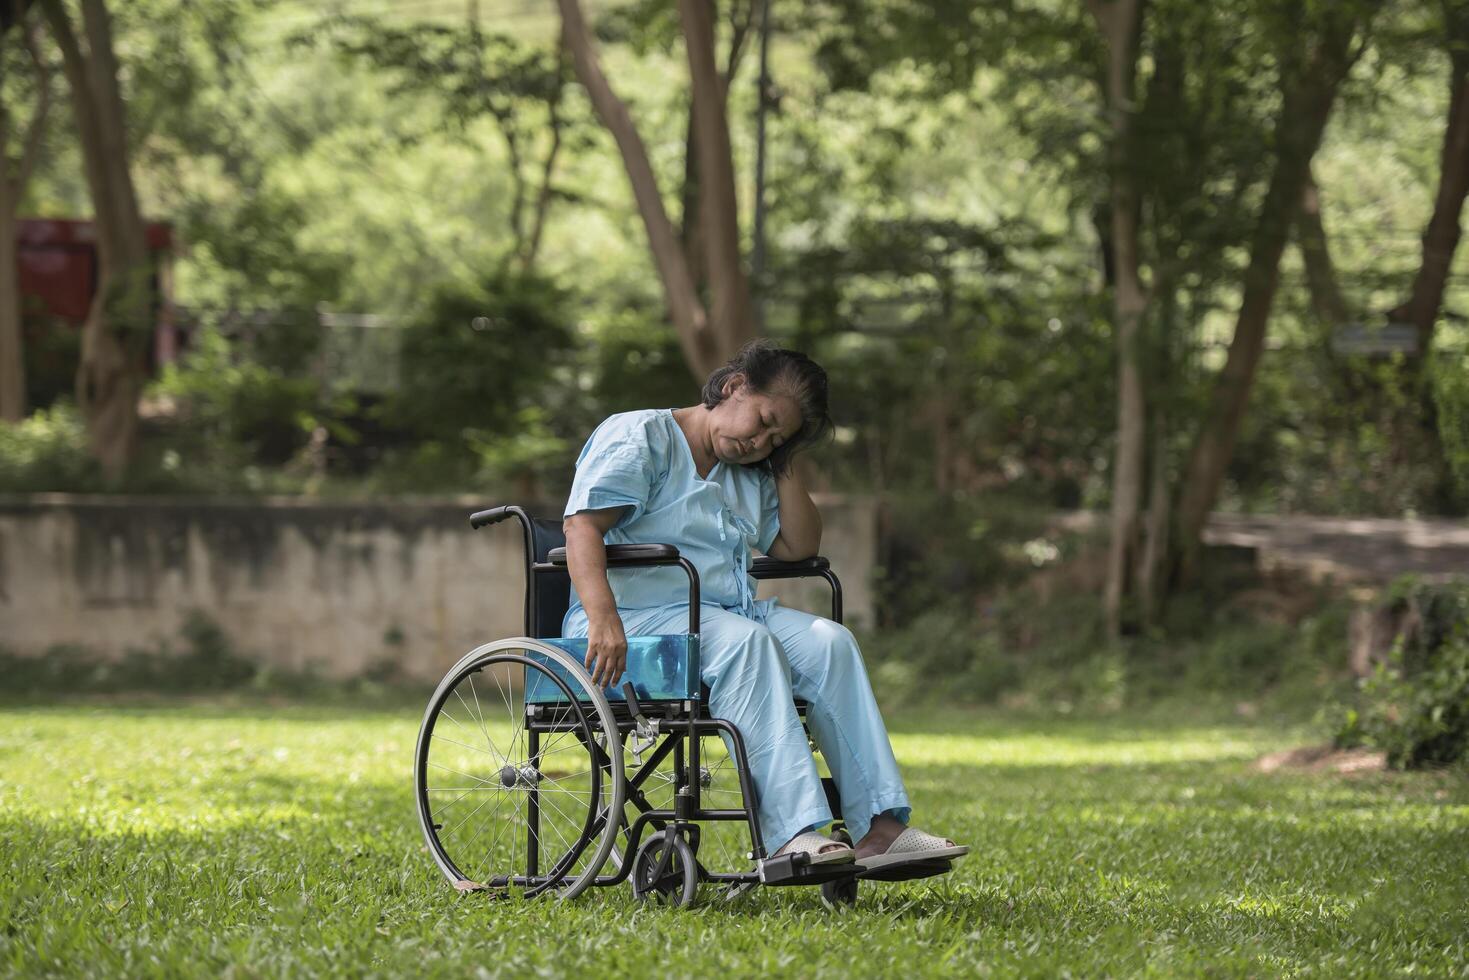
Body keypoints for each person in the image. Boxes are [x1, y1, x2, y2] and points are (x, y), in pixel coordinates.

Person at [561, 340, 967, 870]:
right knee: (747, 643)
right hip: (634, 624)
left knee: (831, 643)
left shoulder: (749, 471)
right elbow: (581, 526)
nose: (759, 440)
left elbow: (799, 548)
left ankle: (881, 827)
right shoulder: (642, 436)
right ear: (733, 387)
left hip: (723, 619)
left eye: (775, 438)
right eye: (764, 420)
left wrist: (785, 458)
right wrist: (603, 617)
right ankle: (792, 834)